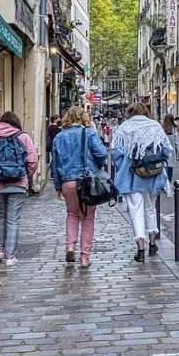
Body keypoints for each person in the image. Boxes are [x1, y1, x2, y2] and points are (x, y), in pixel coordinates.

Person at [111, 103, 171, 262]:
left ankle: (141, 248)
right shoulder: (155, 126)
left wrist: (124, 165)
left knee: (135, 210)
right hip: (152, 175)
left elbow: (116, 152)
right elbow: (167, 149)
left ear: (130, 112)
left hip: (132, 176)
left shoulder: (124, 128)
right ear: (146, 112)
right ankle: (152, 243)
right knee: (150, 208)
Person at [51, 106, 108, 267]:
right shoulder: (89, 133)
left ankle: (70, 246)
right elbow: (102, 153)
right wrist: (97, 167)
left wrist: (57, 186)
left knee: (72, 214)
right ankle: (85, 257)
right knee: (88, 218)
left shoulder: (59, 137)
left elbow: (54, 164)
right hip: (87, 181)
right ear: (83, 118)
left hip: (67, 181)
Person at [0, 112, 38, 266]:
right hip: (18, 184)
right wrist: (26, 175)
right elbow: (32, 160)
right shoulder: (23, 137)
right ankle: (10, 256)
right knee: (13, 219)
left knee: (0, 216)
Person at [162, 114, 179, 183]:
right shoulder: (174, 129)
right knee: (170, 168)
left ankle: (164, 183)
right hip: (171, 152)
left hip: (163, 151)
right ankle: (168, 182)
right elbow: (177, 142)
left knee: (164, 167)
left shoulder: (162, 129)